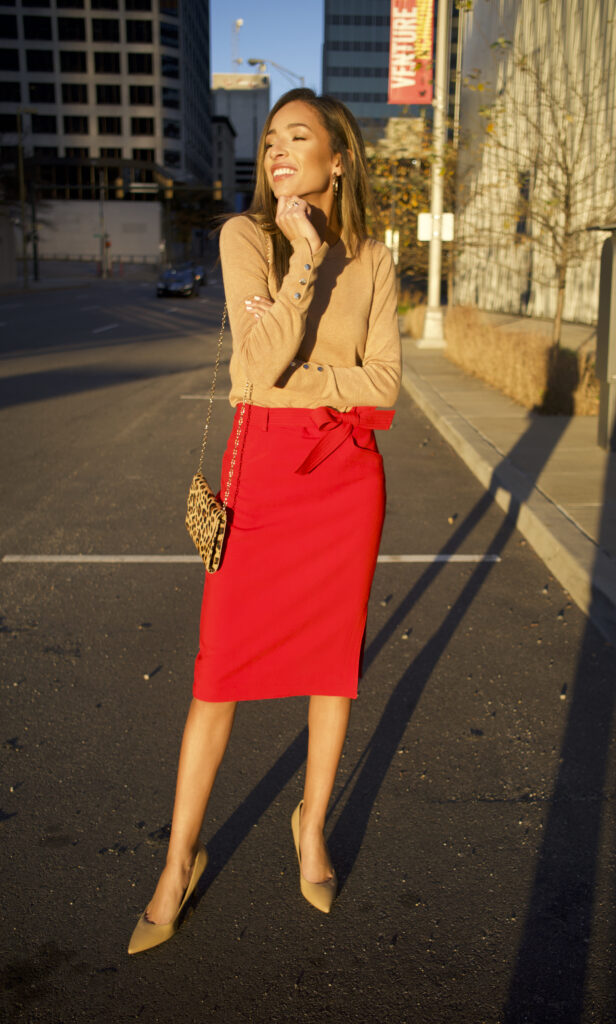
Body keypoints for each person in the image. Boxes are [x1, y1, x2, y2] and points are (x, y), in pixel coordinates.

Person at [128, 88, 401, 954]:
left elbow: (385, 386)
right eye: (270, 141)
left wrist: (304, 385)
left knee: (333, 667)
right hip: (267, 475)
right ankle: (179, 860)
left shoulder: (378, 257)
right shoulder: (246, 237)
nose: (278, 151)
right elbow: (252, 367)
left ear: (338, 156)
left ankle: (309, 824)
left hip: (346, 481)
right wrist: (303, 262)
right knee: (218, 674)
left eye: (298, 137)